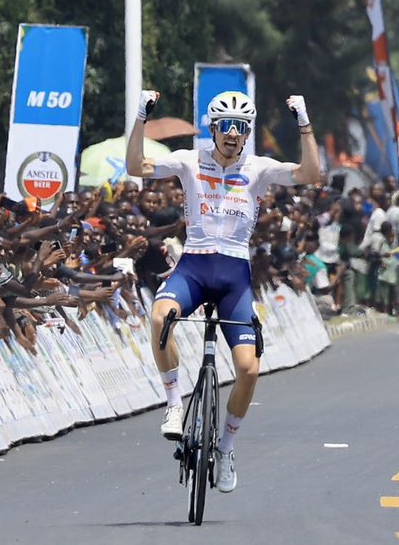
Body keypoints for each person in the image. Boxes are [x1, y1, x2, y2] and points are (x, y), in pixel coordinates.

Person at [126, 89, 320, 494]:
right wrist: (141, 117)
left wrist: (303, 122)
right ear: (213, 128)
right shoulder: (188, 160)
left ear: (247, 133)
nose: (233, 133)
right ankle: (175, 405)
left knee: (249, 369)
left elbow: (309, 175)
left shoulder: (259, 167)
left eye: (241, 127)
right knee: (161, 317)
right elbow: (135, 167)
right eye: (226, 126)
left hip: (234, 275)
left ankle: (227, 447)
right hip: (195, 265)